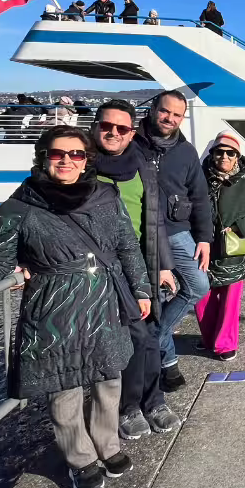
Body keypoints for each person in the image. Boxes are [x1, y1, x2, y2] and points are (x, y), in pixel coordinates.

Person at [0, 125, 149, 488]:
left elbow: (127, 247)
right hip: (54, 306)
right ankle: (80, 458)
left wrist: (141, 289)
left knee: (109, 378)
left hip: (104, 299)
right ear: (43, 157)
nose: (67, 161)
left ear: (87, 160)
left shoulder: (106, 196)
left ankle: (108, 444)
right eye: (58, 154)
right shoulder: (19, 206)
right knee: (63, 384)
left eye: (76, 154)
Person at [91, 101, 182, 440]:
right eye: (107, 126)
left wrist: (164, 266)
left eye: (122, 128)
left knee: (151, 334)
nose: (113, 133)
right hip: (104, 270)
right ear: (95, 126)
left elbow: (154, 216)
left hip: (144, 263)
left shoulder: (140, 164)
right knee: (136, 337)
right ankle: (130, 407)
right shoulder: (82, 166)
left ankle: (153, 400)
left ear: (132, 132)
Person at [134, 91, 212, 392]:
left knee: (198, 285)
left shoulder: (185, 151)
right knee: (154, 298)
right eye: (165, 112)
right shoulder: (132, 143)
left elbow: (200, 197)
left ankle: (156, 336)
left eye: (177, 115)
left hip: (176, 230)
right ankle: (168, 365)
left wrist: (204, 238)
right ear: (153, 109)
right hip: (140, 232)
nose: (170, 119)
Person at [195, 132, 245, 360]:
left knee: (230, 302)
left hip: (233, 253)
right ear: (212, 154)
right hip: (202, 251)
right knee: (201, 298)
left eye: (230, 153)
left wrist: (240, 227)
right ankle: (209, 338)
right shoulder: (197, 180)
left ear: (237, 157)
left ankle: (225, 343)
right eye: (219, 152)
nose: (224, 156)